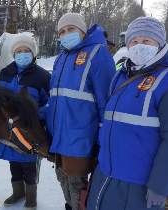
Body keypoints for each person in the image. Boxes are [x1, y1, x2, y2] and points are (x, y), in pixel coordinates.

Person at [87, 17, 168, 210]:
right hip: (105, 177)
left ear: (160, 44)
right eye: (134, 41)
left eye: (146, 41)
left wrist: (160, 186)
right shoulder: (121, 76)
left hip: (139, 185)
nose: (139, 46)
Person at [41, 13, 116, 210]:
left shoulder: (98, 54)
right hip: (58, 135)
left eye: (71, 29)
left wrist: (102, 137)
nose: (66, 34)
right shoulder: (61, 58)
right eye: (62, 31)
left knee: (77, 184)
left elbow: (106, 101)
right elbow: (56, 98)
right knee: (62, 178)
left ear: (83, 31)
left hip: (81, 137)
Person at [0, 33, 50, 210]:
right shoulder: (5, 73)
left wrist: (35, 114)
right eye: (19, 51)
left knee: (29, 165)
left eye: (26, 50)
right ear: (14, 53)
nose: (22, 54)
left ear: (33, 53)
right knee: (14, 164)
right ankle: (18, 192)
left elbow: (51, 102)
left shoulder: (42, 76)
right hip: (10, 131)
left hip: (30, 131)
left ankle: (31, 197)